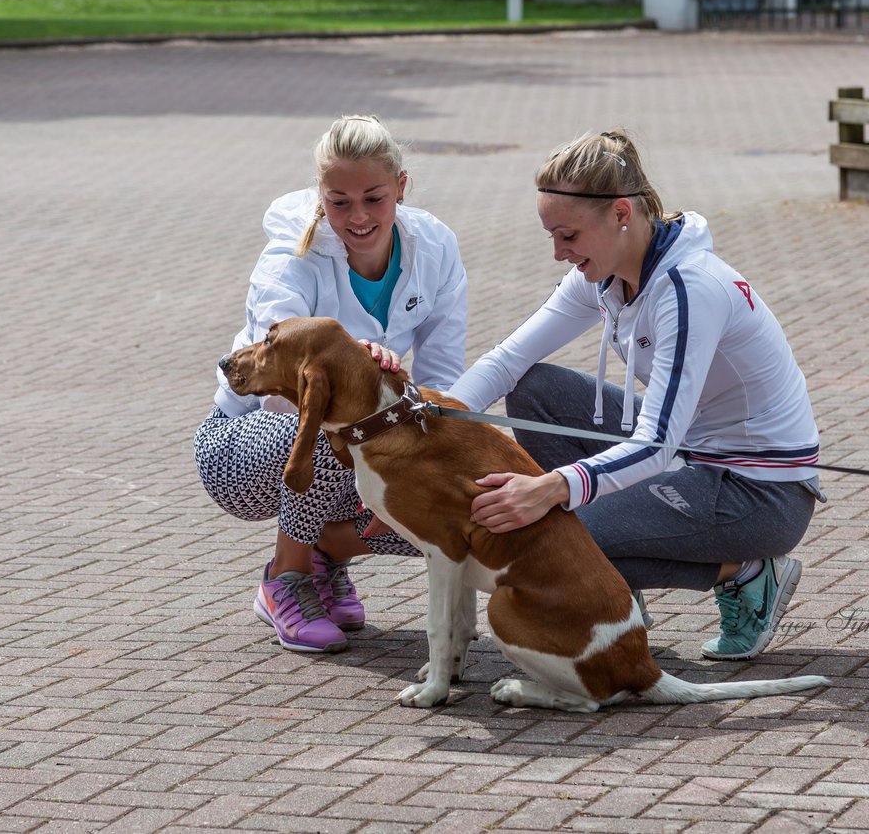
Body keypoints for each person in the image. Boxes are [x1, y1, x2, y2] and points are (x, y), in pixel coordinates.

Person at [446, 129, 823, 661]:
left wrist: (553, 489)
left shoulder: (690, 290)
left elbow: (656, 446)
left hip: (761, 495)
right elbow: (507, 361)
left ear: (621, 214)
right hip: (690, 454)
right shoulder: (607, 273)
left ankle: (748, 572)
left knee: (558, 535)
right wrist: (436, 426)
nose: (558, 253)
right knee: (535, 387)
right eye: (551, 235)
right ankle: (612, 589)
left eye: (568, 236)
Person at [195, 114, 468, 655]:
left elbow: (443, 376)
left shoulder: (434, 246)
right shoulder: (289, 260)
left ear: (401, 188)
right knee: (325, 427)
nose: (359, 216)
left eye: (374, 197)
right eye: (339, 201)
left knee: (452, 495)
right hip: (246, 446)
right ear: (321, 195)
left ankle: (327, 555)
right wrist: (361, 381)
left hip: (359, 436)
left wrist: (436, 442)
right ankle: (285, 578)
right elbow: (276, 391)